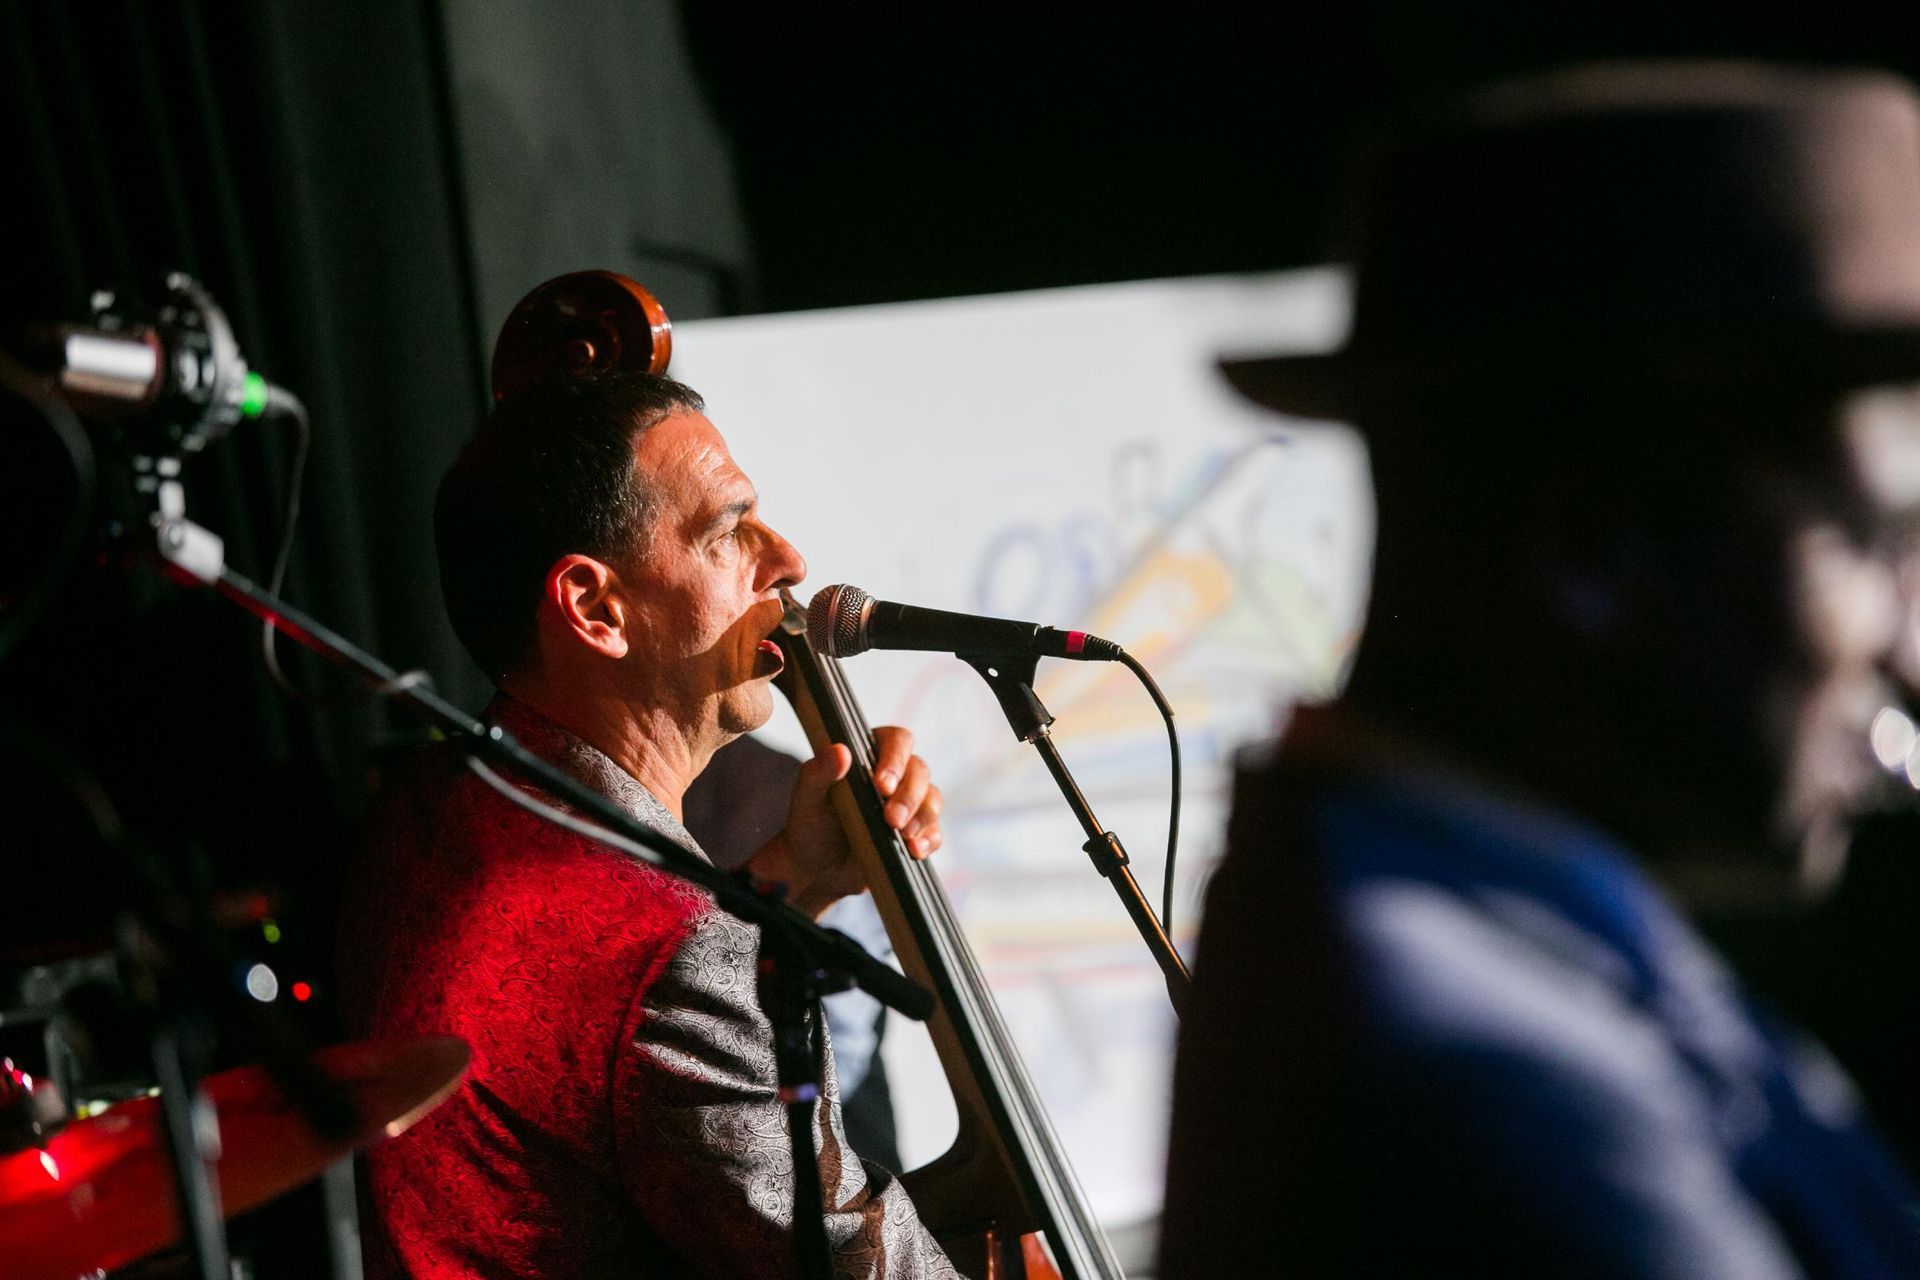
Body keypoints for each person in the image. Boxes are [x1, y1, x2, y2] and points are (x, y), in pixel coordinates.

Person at [1161, 63, 1920, 1277]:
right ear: (1597, 545)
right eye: (1875, 544)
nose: (1910, 647)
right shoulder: (1486, 1070)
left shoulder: (1503, 935)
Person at [337, 373, 957, 1278]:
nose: (786, 561)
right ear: (595, 610)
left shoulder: (437, 807)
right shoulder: (663, 951)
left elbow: (608, 1041)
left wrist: (799, 882)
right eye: (726, 532)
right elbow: (850, 1264)